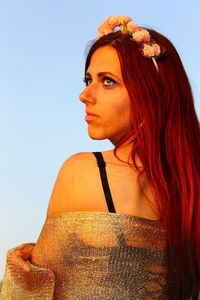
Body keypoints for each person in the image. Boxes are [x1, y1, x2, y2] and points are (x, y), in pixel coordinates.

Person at [0, 15, 200, 299]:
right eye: (88, 79)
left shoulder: (83, 173)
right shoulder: (190, 193)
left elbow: (31, 294)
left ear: (152, 94)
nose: (85, 95)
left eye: (108, 82)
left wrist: (25, 262)